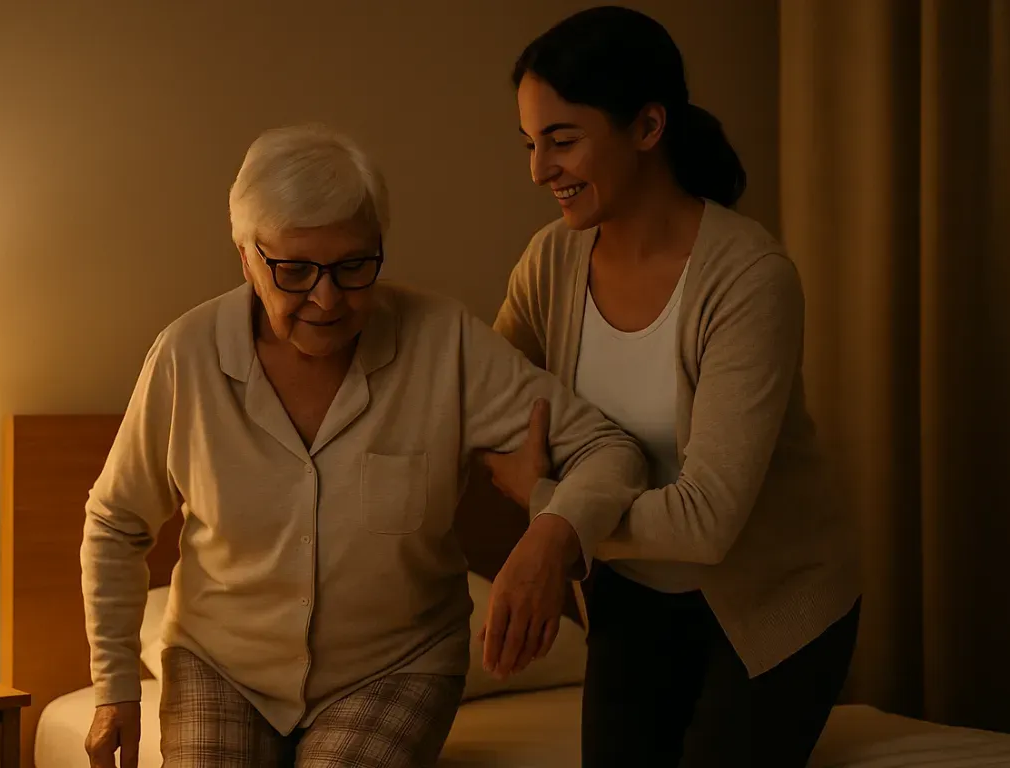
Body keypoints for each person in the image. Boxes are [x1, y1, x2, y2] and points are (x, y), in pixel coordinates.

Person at [80, 123, 648, 768]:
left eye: (353, 267)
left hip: (395, 670)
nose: (327, 299)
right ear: (245, 256)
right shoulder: (187, 357)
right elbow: (115, 522)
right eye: (294, 271)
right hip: (221, 666)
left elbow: (610, 449)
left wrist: (550, 535)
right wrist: (115, 689)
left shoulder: (446, 346)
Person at [478, 6, 863, 767]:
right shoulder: (549, 264)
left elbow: (706, 521)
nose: (538, 170)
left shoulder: (748, 280)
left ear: (648, 127)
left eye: (562, 139)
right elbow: (483, 406)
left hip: (768, 606)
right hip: (631, 604)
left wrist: (552, 516)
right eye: (531, 143)